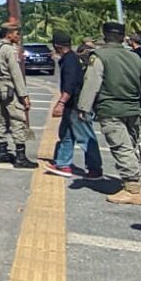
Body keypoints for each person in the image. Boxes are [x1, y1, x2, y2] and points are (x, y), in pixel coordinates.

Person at [78, 22, 141, 205]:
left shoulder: (99, 56)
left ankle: (132, 188)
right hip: (133, 107)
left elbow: (92, 82)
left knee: (120, 147)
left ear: (104, 35)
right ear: (123, 37)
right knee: (130, 145)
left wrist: (84, 107)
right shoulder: (134, 57)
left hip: (110, 108)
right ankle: (133, 180)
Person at [46, 32, 103, 179]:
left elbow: (70, 85)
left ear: (57, 45)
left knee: (85, 137)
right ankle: (62, 164)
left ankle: (95, 168)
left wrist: (61, 103)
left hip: (76, 105)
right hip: (70, 105)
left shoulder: (70, 60)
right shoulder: (68, 58)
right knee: (65, 134)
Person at [0, 23, 36, 168]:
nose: (18, 36)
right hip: (9, 88)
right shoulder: (9, 50)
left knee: (2, 119)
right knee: (17, 120)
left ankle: (2, 150)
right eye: (16, 33)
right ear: (9, 34)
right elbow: (16, 74)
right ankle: (20, 156)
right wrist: (24, 95)